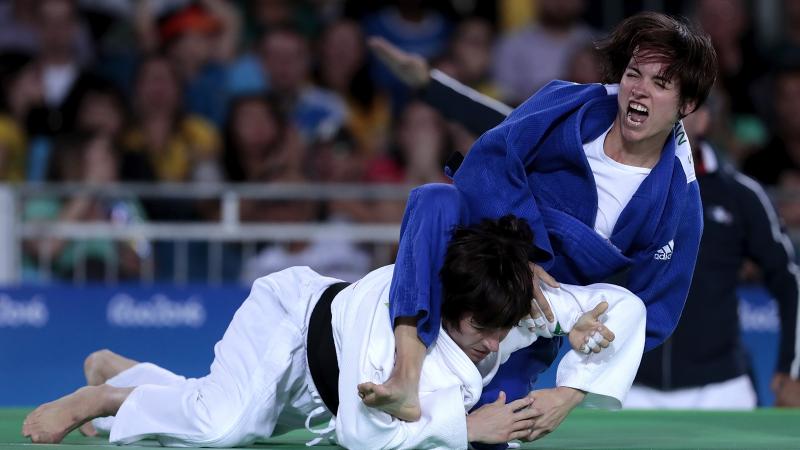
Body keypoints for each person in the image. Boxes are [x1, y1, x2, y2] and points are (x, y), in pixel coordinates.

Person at [362, 11, 717, 443]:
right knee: (434, 199)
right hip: (479, 264)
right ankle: (407, 366)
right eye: (633, 74)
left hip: (538, 318)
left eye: (660, 84)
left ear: (687, 105)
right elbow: (491, 156)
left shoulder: (678, 200)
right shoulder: (569, 106)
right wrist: (521, 258)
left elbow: (652, 312)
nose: (639, 90)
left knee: (490, 431)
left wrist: (569, 393)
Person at [23, 214, 644, 448]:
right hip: (292, 327)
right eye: (480, 328)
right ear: (447, 304)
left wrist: (578, 368)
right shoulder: (398, 330)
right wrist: (466, 426)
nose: (492, 343)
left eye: (501, 329)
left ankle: (123, 373)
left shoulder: (513, 301)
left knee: (222, 408)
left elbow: (624, 306)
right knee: (222, 426)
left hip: (325, 385)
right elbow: (361, 434)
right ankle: (99, 399)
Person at [626, 97, 800, 409]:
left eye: (686, 105)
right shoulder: (616, 184)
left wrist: (791, 369)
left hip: (721, 390)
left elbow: (790, 280)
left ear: (705, 119)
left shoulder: (740, 194)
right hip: (627, 385)